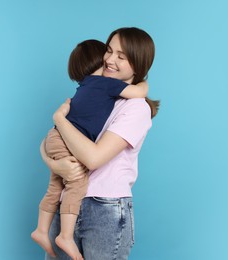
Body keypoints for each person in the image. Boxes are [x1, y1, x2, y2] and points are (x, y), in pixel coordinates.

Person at [40, 27, 160, 260]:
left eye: (121, 57)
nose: (109, 60)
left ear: (138, 64)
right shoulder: (96, 94)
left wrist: (59, 119)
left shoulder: (136, 108)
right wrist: (54, 166)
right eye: (108, 51)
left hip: (104, 208)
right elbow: (49, 141)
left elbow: (93, 158)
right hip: (67, 205)